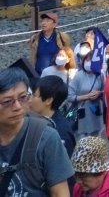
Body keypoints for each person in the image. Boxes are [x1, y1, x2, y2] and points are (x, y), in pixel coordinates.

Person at [0, 68, 73, 196]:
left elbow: (60, 193)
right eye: (7, 102)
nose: (17, 107)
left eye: (23, 97)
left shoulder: (47, 138)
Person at [29, 75, 76, 158]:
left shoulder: (61, 133)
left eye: (34, 95)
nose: (30, 99)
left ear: (48, 100)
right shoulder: (39, 120)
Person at [69, 43, 105, 139]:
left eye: (91, 60)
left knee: (96, 137)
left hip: (96, 111)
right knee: (82, 139)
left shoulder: (100, 75)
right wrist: (86, 96)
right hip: (82, 112)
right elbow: (70, 96)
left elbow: (104, 91)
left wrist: (99, 94)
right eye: (87, 60)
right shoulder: (78, 76)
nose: (88, 62)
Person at [29, 11, 72, 76]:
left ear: (54, 24)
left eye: (47, 21)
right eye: (42, 21)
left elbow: (67, 54)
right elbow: (33, 57)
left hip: (57, 74)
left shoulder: (62, 37)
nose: (43, 23)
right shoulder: (35, 38)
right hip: (39, 74)